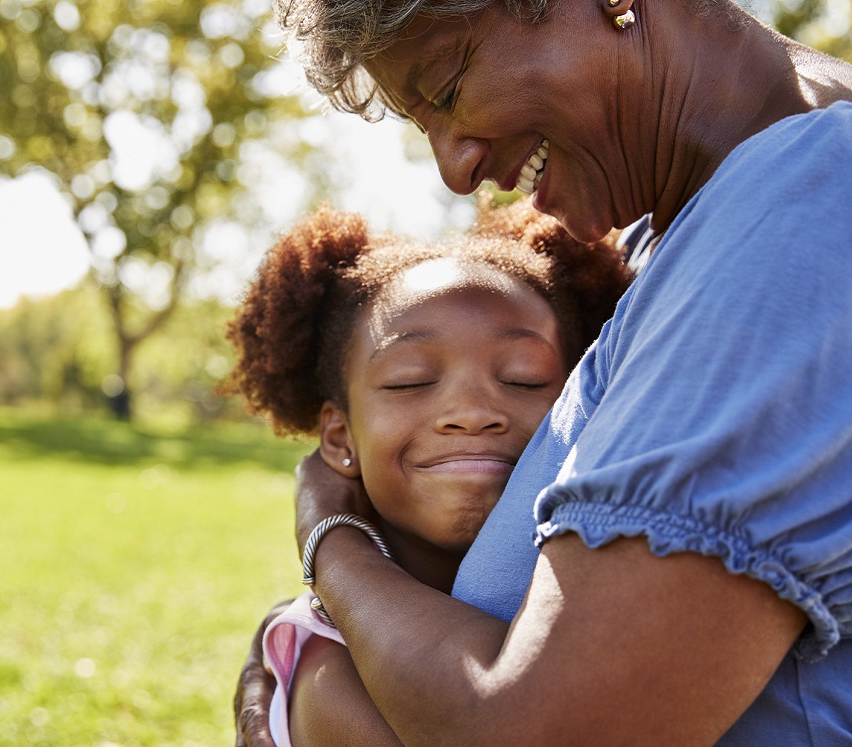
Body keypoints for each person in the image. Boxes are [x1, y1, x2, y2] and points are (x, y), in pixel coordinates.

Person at [234, 0, 852, 744]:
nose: (456, 170)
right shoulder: (656, 240)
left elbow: (537, 727)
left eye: (450, 86)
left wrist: (328, 541)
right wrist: (299, 640)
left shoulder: (823, 205)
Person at [226, 200, 630, 746]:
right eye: (410, 381)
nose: (471, 410)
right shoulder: (333, 672)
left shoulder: (610, 589)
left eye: (525, 378)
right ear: (340, 438)